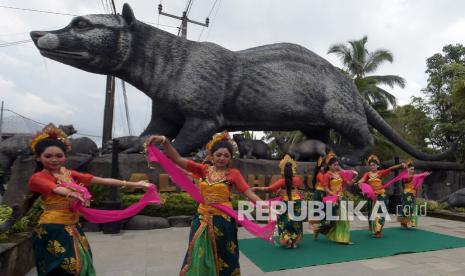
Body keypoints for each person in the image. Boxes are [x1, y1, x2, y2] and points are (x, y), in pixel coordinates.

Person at [28, 124, 153, 276]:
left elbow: (100, 180)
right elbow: (54, 188)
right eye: (48, 156)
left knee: (83, 262)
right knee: (66, 267)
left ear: (65, 156)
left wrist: (135, 184)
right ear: (38, 157)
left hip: (72, 226)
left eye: (59, 156)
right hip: (53, 228)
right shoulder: (38, 177)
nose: (54, 160)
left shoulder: (69, 173)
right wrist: (70, 193)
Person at [146, 131, 262, 276]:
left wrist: (265, 206)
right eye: (218, 155)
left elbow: (248, 192)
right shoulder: (203, 170)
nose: (222, 158)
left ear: (230, 158)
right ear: (212, 156)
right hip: (201, 220)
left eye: (226, 156)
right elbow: (177, 159)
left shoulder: (233, 174)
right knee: (196, 253)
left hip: (223, 222)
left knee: (225, 255)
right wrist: (165, 141)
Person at [252, 154, 303, 248]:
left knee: (284, 222)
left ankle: (287, 241)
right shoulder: (297, 179)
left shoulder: (281, 181)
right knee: (296, 221)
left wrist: (256, 188)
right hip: (296, 202)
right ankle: (294, 242)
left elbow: (270, 188)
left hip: (286, 202)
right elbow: (298, 188)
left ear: (283, 171)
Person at [356, 155, 404, 237]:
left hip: (381, 194)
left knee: (380, 212)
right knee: (372, 213)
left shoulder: (380, 173)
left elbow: (391, 169)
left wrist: (400, 165)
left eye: (374, 165)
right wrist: (359, 183)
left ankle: (379, 230)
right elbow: (362, 180)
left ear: (377, 166)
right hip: (372, 196)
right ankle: (375, 229)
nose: (372, 166)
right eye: (371, 165)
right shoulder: (367, 174)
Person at [321, 152, 357, 244]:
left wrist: (355, 177)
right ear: (329, 165)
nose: (336, 166)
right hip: (333, 199)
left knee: (345, 217)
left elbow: (348, 183)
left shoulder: (340, 173)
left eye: (337, 164)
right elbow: (325, 188)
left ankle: (343, 238)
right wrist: (333, 194)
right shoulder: (327, 175)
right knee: (336, 219)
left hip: (342, 197)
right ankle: (337, 235)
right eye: (334, 164)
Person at [398, 160, 429, 229]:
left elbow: (416, 183)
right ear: (407, 169)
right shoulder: (405, 176)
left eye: (413, 169)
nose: (413, 170)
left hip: (412, 194)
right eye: (411, 169)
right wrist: (422, 174)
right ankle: (403, 222)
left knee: (410, 209)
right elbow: (415, 176)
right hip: (407, 194)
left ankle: (404, 223)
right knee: (407, 208)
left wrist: (422, 176)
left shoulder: (413, 176)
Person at [309, 156, 327, 240]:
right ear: (319, 167)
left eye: (325, 166)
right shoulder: (320, 175)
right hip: (319, 194)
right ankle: (316, 231)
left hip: (325, 194)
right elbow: (324, 183)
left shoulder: (325, 174)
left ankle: (323, 231)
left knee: (326, 213)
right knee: (318, 212)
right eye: (323, 166)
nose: (324, 167)